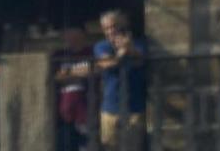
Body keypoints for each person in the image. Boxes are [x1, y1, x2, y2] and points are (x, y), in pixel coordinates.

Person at [94, 9, 148, 150]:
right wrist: (121, 54)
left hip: (134, 109)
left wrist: (129, 49)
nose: (110, 31)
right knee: (110, 147)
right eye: (106, 28)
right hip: (110, 108)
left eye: (113, 26)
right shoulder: (101, 46)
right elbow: (106, 63)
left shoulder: (138, 43)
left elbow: (141, 60)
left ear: (121, 26)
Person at [52, 27, 93, 151]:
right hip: (63, 112)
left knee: (85, 145)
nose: (68, 37)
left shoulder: (91, 52)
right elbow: (55, 76)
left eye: (72, 33)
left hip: (85, 111)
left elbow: (93, 69)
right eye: (66, 33)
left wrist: (67, 73)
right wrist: (77, 72)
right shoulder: (58, 55)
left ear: (82, 34)